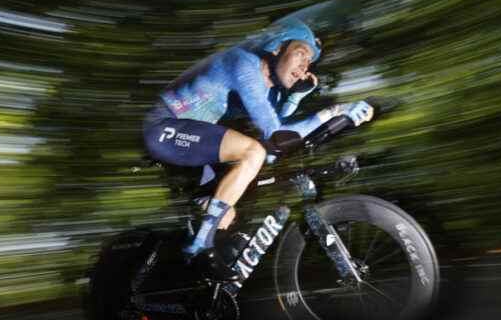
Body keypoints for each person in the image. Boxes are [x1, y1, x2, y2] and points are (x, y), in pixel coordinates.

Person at [142, 19, 374, 281]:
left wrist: (295, 97)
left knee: (224, 213)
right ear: (277, 48)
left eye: (309, 62)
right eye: (301, 54)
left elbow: (280, 140)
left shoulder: (266, 86)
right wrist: (334, 112)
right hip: (164, 127)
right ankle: (198, 249)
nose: (304, 67)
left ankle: (178, 277)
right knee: (252, 153)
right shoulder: (242, 63)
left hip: (191, 140)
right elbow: (273, 133)